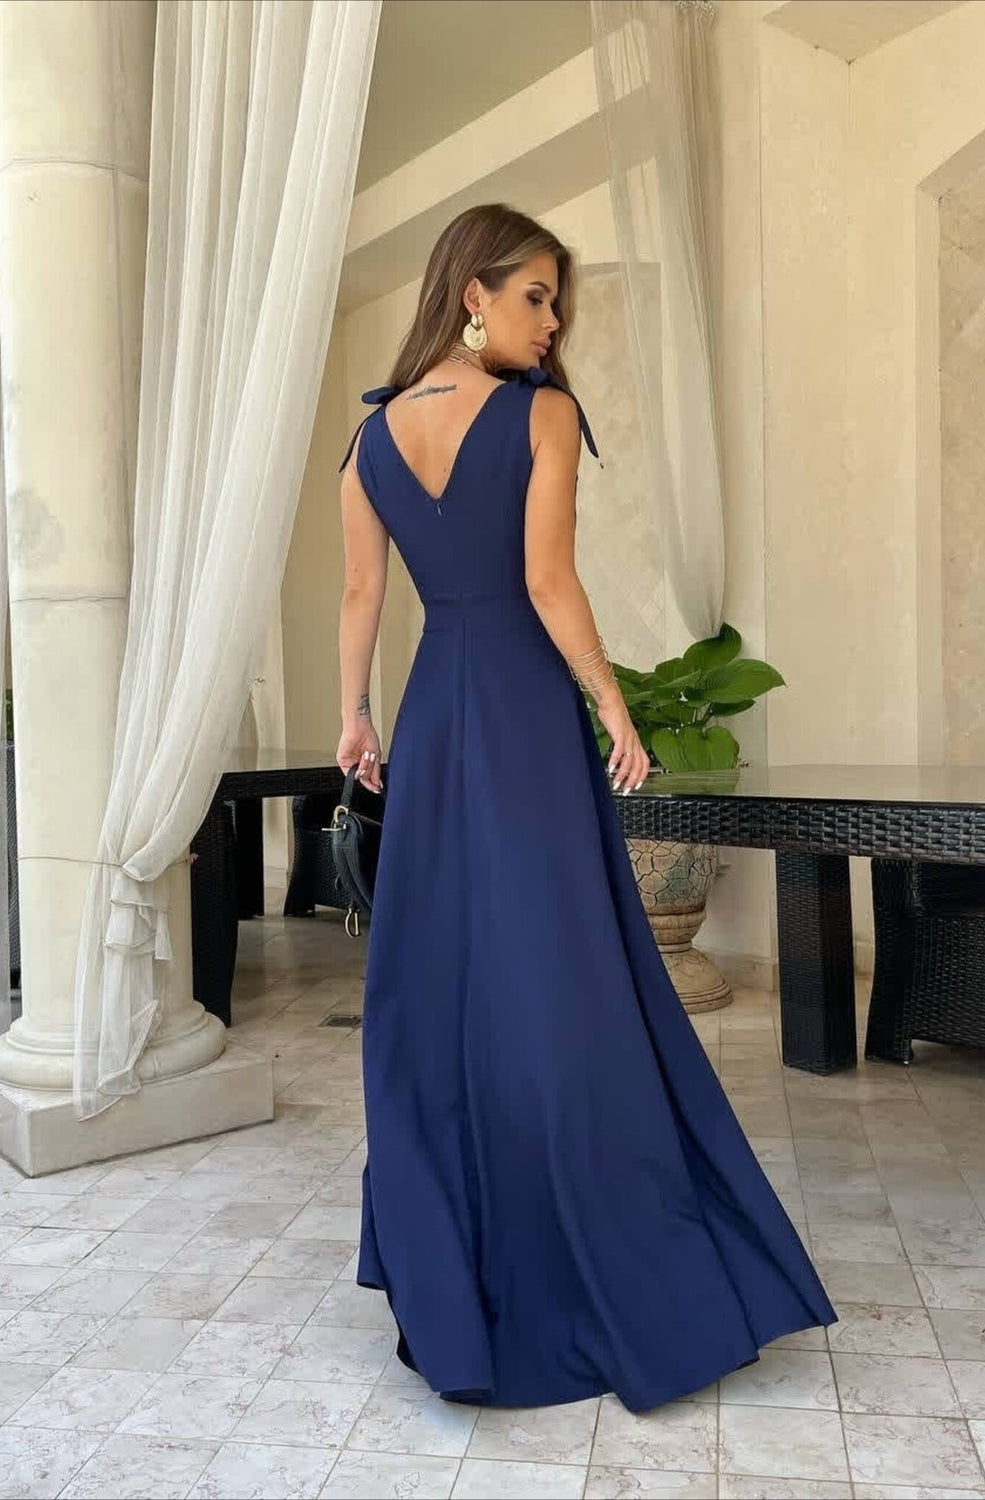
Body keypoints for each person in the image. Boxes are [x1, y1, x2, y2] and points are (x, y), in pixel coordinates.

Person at [335, 202, 835, 1414]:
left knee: (449, 979)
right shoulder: (541, 414)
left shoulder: (370, 438)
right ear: (472, 293)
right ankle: (603, 1249)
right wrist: (614, 705)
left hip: (435, 713)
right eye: (535, 296)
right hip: (518, 704)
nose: (553, 321)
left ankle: (467, 1265)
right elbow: (547, 578)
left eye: (557, 302)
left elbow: (360, 596)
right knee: (567, 970)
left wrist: (354, 718)